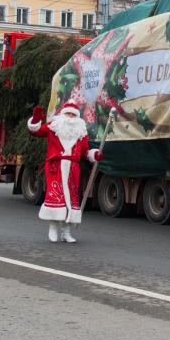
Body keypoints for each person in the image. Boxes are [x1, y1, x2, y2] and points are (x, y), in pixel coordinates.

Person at [28, 102, 103, 243]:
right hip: (55, 167)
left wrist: (95, 154)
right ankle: (53, 227)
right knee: (56, 197)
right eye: (68, 113)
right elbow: (35, 131)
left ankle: (66, 232)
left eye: (73, 114)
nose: (70, 117)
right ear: (62, 115)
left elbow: (85, 152)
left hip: (73, 169)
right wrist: (36, 120)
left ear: (78, 118)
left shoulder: (80, 133)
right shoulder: (53, 127)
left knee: (72, 199)